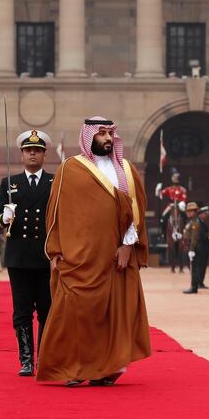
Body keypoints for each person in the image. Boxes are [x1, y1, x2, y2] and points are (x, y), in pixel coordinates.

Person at [38, 117, 151, 386]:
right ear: (89, 137)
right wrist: (55, 251)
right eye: (101, 134)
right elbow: (55, 214)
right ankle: (72, 369)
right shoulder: (70, 169)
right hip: (80, 257)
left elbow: (135, 211)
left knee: (115, 314)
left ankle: (105, 369)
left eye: (111, 133)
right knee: (75, 313)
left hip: (115, 258)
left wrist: (127, 246)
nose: (108, 139)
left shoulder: (125, 169)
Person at [0, 130, 54, 376]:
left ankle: (46, 358)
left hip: (45, 255)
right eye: (28, 150)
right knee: (22, 311)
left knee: (47, 309)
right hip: (18, 255)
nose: (32, 153)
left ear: (43, 155)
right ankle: (27, 360)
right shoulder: (9, 183)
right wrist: (4, 217)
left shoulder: (54, 182)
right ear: (21, 154)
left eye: (37, 150)